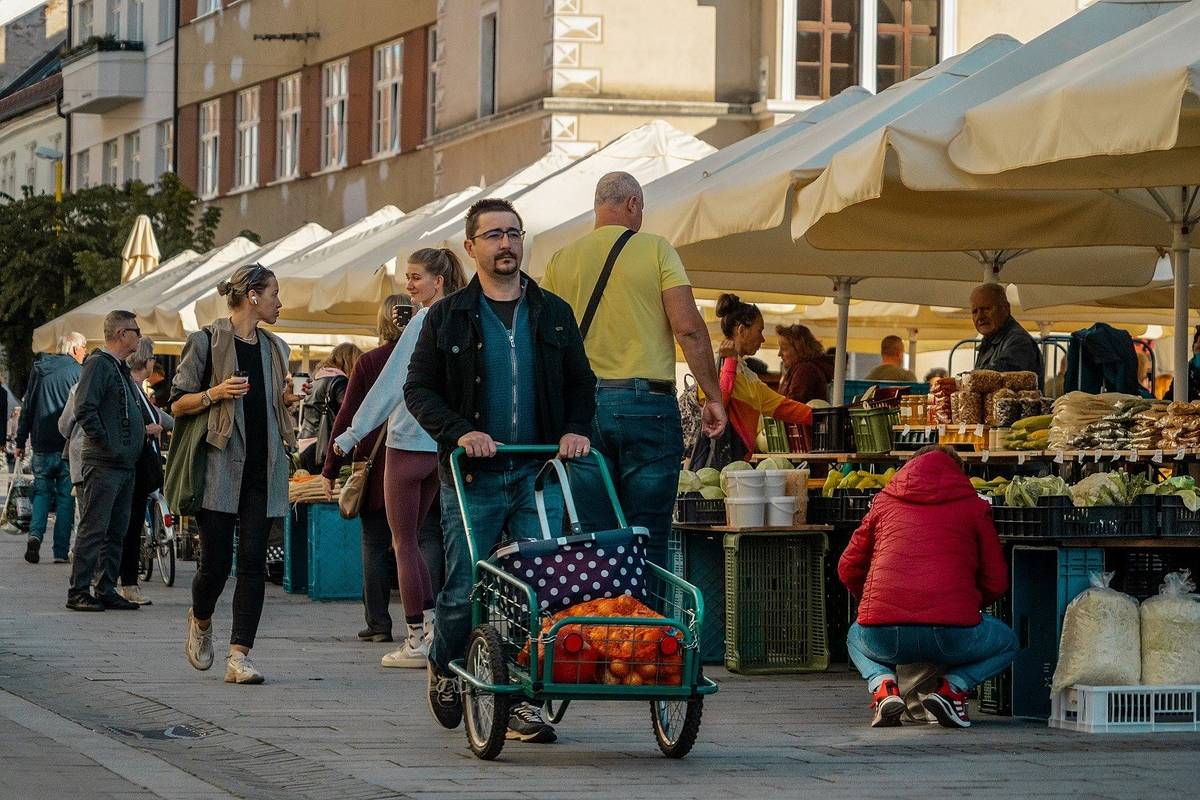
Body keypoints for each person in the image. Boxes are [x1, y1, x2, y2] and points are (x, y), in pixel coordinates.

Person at [405, 197, 596, 744]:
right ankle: (444, 665)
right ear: (470, 247)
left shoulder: (553, 311)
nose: (506, 244)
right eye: (493, 235)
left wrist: (575, 429)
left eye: (514, 234)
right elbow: (418, 389)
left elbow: (582, 384)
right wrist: (460, 431)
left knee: (534, 588)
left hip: (537, 475)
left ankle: (513, 701)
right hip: (472, 477)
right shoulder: (447, 316)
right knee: (467, 586)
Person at [541, 172, 726, 569]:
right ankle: (649, 629)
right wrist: (713, 396)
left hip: (581, 411)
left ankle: (603, 627)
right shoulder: (656, 250)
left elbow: (547, 344)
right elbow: (689, 329)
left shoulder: (560, 260)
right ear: (632, 205)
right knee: (648, 537)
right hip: (647, 406)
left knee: (595, 537)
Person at [331, 248, 469, 668]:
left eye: (415, 278)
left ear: (438, 281)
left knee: (403, 542)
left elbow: (392, 384)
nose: (409, 286)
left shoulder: (425, 320)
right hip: (445, 445)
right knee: (431, 539)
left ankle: (416, 637)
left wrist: (352, 432)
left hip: (409, 442)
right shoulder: (467, 315)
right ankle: (434, 628)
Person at [171, 263, 304, 685]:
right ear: (252, 296)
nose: (279, 303)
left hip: (265, 466)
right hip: (219, 465)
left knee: (252, 562)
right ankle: (201, 618)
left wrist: (285, 398)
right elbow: (176, 403)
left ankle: (239, 655)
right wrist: (215, 392)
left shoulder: (276, 347)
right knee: (214, 563)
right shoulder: (206, 341)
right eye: (274, 294)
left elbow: (274, 405)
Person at [838, 446, 1015, 729]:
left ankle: (883, 687)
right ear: (958, 473)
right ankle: (953, 690)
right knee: (1008, 642)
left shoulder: (883, 503)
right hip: (953, 636)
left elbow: (847, 567)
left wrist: (872, 603)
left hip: (885, 635)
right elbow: (996, 580)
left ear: (910, 467)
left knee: (854, 635)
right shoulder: (975, 506)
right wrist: (966, 607)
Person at [323, 294, 409, 645]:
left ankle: (378, 623)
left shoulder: (370, 362)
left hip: (377, 468)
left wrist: (331, 466)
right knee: (423, 541)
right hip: (422, 464)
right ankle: (430, 620)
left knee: (375, 544)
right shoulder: (427, 356)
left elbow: (348, 417)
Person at [66, 313, 147, 612]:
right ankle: (78, 591)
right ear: (122, 333)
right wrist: (108, 444)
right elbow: (84, 408)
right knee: (94, 527)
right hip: (104, 463)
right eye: (136, 331)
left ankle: (105, 587)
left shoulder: (119, 368)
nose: (139, 337)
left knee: (117, 529)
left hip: (123, 464)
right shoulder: (99, 364)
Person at [14, 331, 86, 564]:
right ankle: (60, 551)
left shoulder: (40, 369)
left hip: (42, 443)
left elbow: (29, 407)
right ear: (75, 349)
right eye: (84, 348)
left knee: (42, 493)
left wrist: (20, 441)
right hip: (67, 444)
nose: (85, 353)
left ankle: (35, 535)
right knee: (66, 497)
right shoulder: (79, 372)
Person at [713, 294, 812, 458]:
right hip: (718, 463)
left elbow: (784, 407)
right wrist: (730, 362)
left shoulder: (749, 377)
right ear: (742, 330)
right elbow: (718, 405)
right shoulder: (713, 368)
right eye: (759, 331)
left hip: (738, 464)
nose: (763, 339)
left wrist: (823, 416)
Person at [115, 337, 167, 606]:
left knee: (130, 526)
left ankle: (123, 582)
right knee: (130, 526)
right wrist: (147, 430)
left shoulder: (138, 390)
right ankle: (127, 583)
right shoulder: (130, 388)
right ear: (147, 362)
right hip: (132, 467)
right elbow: (122, 423)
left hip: (137, 468)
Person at [298, 343, 362, 472]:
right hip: (326, 447)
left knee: (316, 491)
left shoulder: (316, 380)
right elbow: (350, 412)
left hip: (306, 445)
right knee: (336, 490)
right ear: (350, 362)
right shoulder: (339, 382)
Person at [970, 283, 1043, 380]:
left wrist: (961, 380)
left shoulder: (1019, 341)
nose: (980, 316)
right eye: (975, 311)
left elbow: (993, 378)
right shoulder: (989, 341)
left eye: (987, 309)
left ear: (1006, 308)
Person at [776, 323, 834, 403]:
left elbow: (792, 405)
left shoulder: (804, 370)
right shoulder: (803, 368)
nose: (779, 354)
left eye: (784, 349)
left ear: (800, 349)